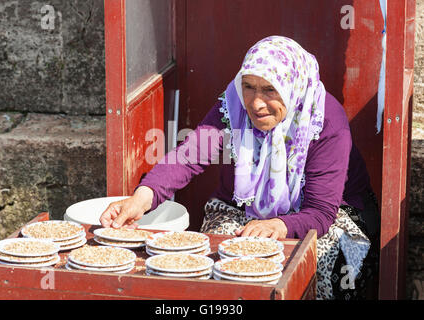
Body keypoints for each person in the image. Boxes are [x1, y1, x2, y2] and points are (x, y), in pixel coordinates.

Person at [100, 36, 380, 300]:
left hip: (329, 215)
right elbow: (188, 156)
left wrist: (279, 225)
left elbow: (320, 212)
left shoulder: (325, 121)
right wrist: (141, 198)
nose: (256, 104)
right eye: (249, 86)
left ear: (291, 87)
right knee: (221, 259)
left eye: (270, 90)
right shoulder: (233, 105)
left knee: (320, 263)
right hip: (244, 208)